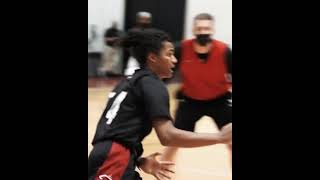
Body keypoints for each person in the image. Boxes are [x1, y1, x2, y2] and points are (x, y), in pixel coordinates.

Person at [88, 28, 232, 180]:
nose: (175, 60)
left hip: (113, 156)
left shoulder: (131, 81)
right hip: (113, 159)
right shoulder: (152, 83)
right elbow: (167, 136)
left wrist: (138, 160)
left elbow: (117, 130)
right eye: (169, 54)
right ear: (153, 58)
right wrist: (219, 137)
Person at [160, 13, 232, 163]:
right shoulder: (181, 48)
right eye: (199, 28)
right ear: (193, 30)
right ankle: (162, 174)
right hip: (190, 101)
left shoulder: (225, 51)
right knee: (174, 142)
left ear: (212, 30)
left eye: (206, 28)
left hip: (220, 100)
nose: (203, 32)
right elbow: (165, 72)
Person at [123, 11, 153, 76]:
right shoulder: (132, 32)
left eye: (146, 20)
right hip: (135, 59)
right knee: (130, 76)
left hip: (148, 60)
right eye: (142, 19)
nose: (144, 21)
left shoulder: (153, 33)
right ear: (138, 20)